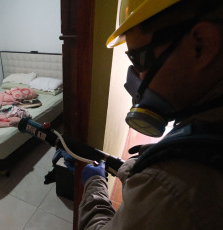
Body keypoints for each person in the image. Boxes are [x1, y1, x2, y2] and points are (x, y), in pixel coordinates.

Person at [79, 0, 223, 229]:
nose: (135, 77)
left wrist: (94, 185)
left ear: (202, 45)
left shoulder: (170, 187)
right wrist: (136, 167)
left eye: (139, 59)